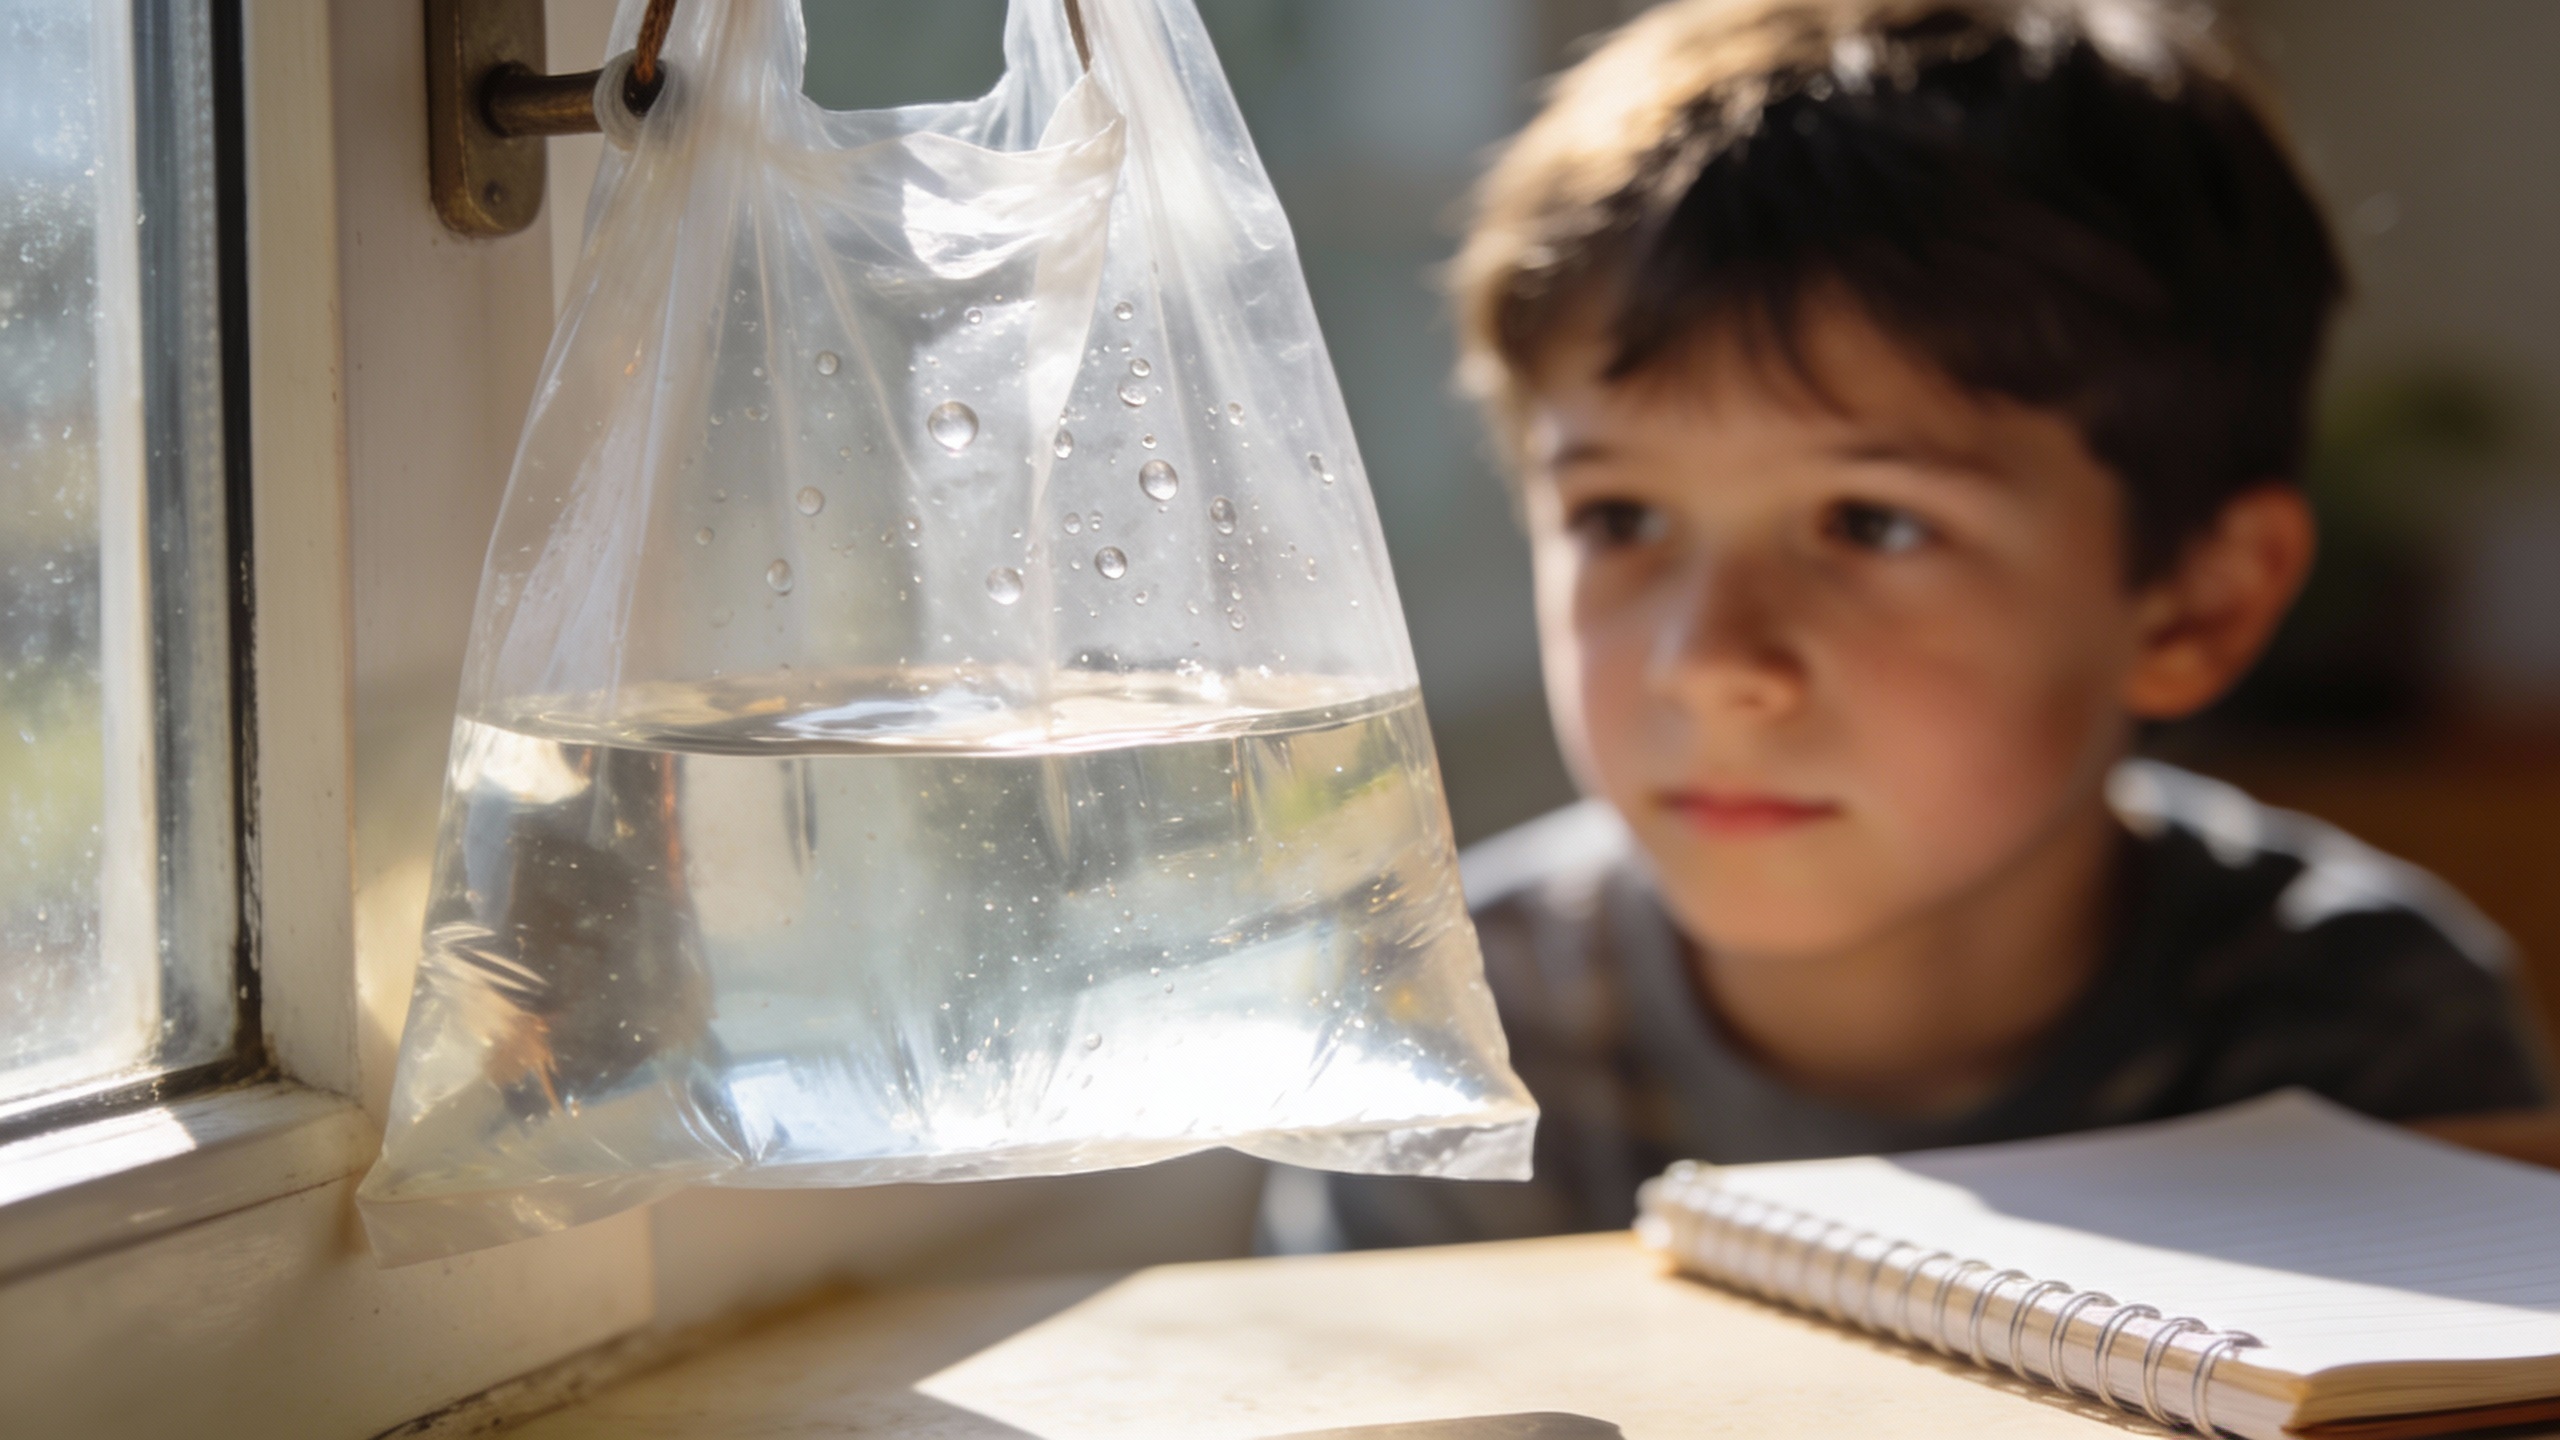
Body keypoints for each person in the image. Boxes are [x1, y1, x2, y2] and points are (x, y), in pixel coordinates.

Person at [1274, 0, 2552, 1253]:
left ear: (2195, 601)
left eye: (1870, 525)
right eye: (1619, 518)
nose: (1712, 664)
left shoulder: (2358, 1027)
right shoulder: (1446, 1025)